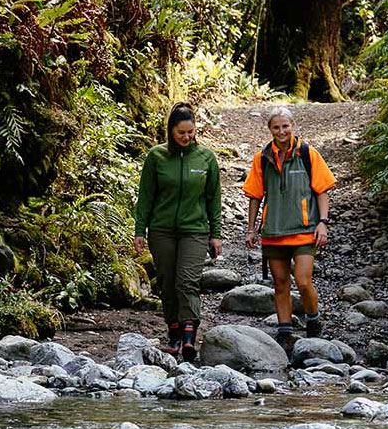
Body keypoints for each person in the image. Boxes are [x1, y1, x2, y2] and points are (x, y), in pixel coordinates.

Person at [133, 102, 223, 362]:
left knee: (188, 281)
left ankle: (188, 337)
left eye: (190, 132)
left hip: (194, 230)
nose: (186, 137)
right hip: (161, 230)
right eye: (181, 132)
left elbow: (213, 199)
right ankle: (173, 331)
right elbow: (146, 197)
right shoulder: (156, 157)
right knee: (167, 282)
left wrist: (215, 234)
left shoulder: (206, 158)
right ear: (171, 131)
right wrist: (140, 230)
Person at [243, 106, 335, 350]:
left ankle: (313, 319)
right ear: (270, 129)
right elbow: (254, 195)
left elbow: (322, 189)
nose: (281, 131)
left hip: (304, 230)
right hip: (273, 231)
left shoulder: (308, 153)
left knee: (303, 281)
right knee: (280, 283)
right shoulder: (262, 158)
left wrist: (323, 223)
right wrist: (251, 229)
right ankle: (285, 332)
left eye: (285, 126)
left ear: (292, 126)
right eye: (276, 127)